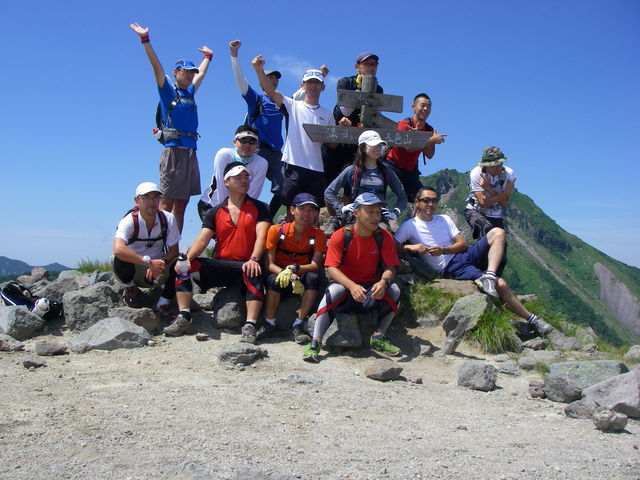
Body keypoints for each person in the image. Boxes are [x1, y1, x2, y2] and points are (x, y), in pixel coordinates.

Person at [393, 187, 553, 340]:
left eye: (434, 200)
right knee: (501, 284)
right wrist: (410, 247)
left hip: (463, 254)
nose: (431, 204)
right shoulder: (410, 226)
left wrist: (444, 249)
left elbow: (462, 244)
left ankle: (489, 276)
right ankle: (534, 320)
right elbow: (393, 245)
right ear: (417, 202)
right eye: (426, 200)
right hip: (451, 268)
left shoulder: (444, 219)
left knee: (498, 232)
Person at [166, 162, 271, 338]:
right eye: (238, 177)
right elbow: (203, 239)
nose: (244, 180)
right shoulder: (215, 211)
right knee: (183, 266)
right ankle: (184, 316)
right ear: (226, 182)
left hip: (245, 265)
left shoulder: (261, 208)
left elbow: (262, 236)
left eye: (246, 177)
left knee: (253, 271)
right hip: (220, 265)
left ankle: (250, 326)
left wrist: (254, 259)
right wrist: (188, 258)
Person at [130, 23, 213, 232]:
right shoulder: (168, 91)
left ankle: (174, 245)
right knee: (166, 204)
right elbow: (157, 67)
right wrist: (145, 40)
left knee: (182, 206)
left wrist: (208, 57)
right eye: (186, 72)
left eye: (192, 73)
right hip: (173, 152)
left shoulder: (190, 92)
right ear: (176, 72)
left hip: (191, 152)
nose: (190, 75)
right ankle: (160, 242)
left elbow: (202, 74)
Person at [303, 193, 402, 362]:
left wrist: (383, 282)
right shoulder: (342, 235)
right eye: (370, 212)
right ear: (356, 212)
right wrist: (351, 286)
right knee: (334, 290)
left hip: (370, 290)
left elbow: (390, 268)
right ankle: (315, 342)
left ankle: (378, 336)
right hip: (346, 290)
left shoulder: (384, 237)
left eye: (378, 212)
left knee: (394, 290)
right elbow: (331, 269)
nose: (376, 217)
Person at [252, 56, 336, 207]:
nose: (313, 85)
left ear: (323, 87)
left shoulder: (328, 114)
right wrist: (259, 70)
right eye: (309, 82)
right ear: (303, 85)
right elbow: (270, 91)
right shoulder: (292, 105)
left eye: (317, 82)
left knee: (313, 210)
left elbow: (333, 145)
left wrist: (340, 128)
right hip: (293, 165)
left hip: (317, 169)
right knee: (290, 208)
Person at [261, 193, 327, 344]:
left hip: (301, 274)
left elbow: (315, 265)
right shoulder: (276, 231)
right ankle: (269, 322)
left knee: (313, 278)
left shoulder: (318, 235)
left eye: (311, 210)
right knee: (272, 280)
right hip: (280, 273)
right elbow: (269, 264)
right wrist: (287, 274)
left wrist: (294, 269)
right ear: (292, 210)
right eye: (302, 209)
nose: (307, 214)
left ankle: (298, 324)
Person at [229, 40, 285, 215]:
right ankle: (236, 217)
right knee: (244, 185)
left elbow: (302, 94)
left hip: (276, 153)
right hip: (256, 150)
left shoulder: (282, 102)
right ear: (262, 80)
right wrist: (234, 55)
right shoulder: (256, 99)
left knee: (285, 187)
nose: (273, 80)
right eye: (270, 77)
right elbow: (241, 81)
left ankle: (265, 218)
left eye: (276, 78)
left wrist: (321, 75)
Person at [112, 182, 180, 314]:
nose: (152, 202)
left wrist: (161, 263)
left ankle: (164, 301)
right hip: (135, 270)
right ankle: (130, 287)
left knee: (181, 262)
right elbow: (118, 249)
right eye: (146, 197)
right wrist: (148, 263)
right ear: (137, 200)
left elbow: (174, 250)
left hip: (159, 270)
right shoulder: (129, 221)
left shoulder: (168, 219)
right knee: (117, 257)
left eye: (156, 197)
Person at [325, 130, 407, 230]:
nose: (378, 148)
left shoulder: (386, 171)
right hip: (356, 216)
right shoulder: (351, 170)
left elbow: (402, 196)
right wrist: (341, 208)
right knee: (348, 235)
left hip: (379, 218)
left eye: (379, 145)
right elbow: (329, 192)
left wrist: (395, 212)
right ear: (363, 148)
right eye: (374, 145)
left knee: (384, 234)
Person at [323, 52, 384, 186]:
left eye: (374, 64)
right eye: (366, 64)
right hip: (338, 140)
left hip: (357, 144)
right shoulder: (345, 82)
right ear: (357, 67)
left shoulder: (378, 89)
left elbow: (376, 116)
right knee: (329, 181)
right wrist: (361, 90)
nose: (371, 67)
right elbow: (344, 111)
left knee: (352, 184)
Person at [384, 93, 447, 200]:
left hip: (410, 172)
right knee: (385, 196)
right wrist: (430, 140)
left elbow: (429, 154)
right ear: (413, 107)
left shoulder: (430, 130)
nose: (426, 109)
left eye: (428, 107)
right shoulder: (404, 124)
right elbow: (408, 148)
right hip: (392, 166)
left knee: (423, 200)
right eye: (422, 105)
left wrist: (423, 140)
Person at [197, 125, 268, 221]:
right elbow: (221, 187)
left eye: (252, 141)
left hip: (240, 209)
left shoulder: (262, 163)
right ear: (234, 142)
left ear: (257, 145)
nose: (247, 145)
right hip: (212, 205)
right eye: (243, 140)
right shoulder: (224, 154)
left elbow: (253, 193)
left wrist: (241, 214)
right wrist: (226, 214)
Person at [464, 146, 515, 239]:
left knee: (500, 242)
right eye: (493, 166)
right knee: (485, 229)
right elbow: (483, 203)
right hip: (475, 211)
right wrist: (504, 194)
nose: (498, 168)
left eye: (500, 164)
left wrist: (488, 189)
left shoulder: (508, 174)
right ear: (486, 165)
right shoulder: (476, 173)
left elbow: (504, 203)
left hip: (496, 216)